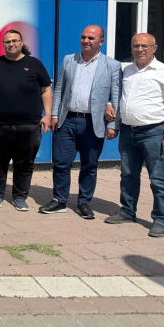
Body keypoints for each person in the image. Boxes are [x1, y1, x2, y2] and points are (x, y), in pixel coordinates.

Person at [40, 25, 121, 219]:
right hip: (67, 120)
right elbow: (59, 89)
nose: (86, 41)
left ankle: (84, 202)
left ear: (101, 42)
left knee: (89, 165)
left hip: (93, 123)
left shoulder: (112, 65)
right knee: (61, 163)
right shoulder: (69, 60)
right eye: (83, 37)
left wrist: (113, 125)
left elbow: (116, 96)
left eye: (91, 38)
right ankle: (59, 200)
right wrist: (54, 115)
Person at [106, 33, 164, 238]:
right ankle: (127, 211)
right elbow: (119, 97)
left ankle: (161, 220)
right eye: (136, 46)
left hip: (154, 133)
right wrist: (111, 111)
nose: (140, 49)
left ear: (154, 48)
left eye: (144, 46)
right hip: (128, 132)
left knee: (158, 179)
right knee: (128, 175)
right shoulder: (127, 71)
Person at [0, 30, 52, 211]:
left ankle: (20, 197)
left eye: (15, 41)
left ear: (21, 42)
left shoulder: (34, 64)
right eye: (7, 41)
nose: (11, 44)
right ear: (3, 44)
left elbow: (46, 90)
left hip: (28, 126)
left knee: (24, 164)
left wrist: (47, 115)